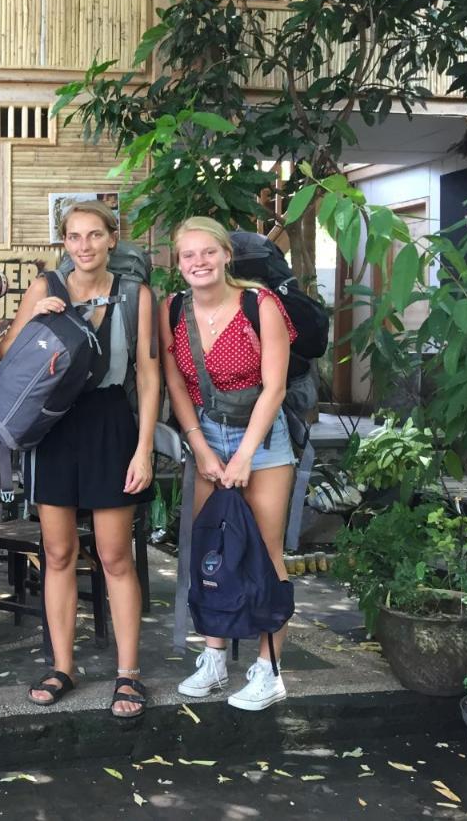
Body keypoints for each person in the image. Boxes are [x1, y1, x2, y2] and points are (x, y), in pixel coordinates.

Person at [0, 201, 159, 716]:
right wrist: (31, 322)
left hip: (111, 422)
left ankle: (128, 673)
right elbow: (6, 355)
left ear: (113, 239)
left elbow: (150, 375)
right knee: (59, 553)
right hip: (54, 423)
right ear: (62, 242)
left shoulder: (136, 295)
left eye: (94, 235)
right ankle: (61, 665)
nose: (84, 246)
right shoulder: (46, 288)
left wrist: (145, 447)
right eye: (74, 237)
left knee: (114, 555)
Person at [160, 215, 297, 711]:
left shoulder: (260, 305)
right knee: (211, 548)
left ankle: (269, 670)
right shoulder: (172, 308)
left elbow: (275, 388)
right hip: (207, 434)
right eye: (188, 255)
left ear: (225, 255)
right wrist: (200, 446)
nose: (199, 262)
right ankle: (215, 658)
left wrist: (243, 455)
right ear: (179, 264)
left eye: (207, 252)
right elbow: (176, 383)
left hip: (261, 437)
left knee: (264, 551)